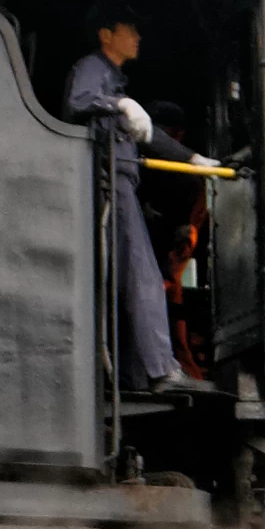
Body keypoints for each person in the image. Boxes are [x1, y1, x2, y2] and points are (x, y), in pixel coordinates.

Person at [64, 20, 209, 395]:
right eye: (130, 30)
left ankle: (137, 374)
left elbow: (147, 134)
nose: (138, 37)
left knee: (132, 279)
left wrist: (192, 158)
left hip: (120, 181)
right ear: (105, 35)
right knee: (142, 275)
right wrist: (120, 104)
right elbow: (77, 102)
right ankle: (161, 370)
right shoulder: (93, 68)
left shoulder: (113, 79)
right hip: (109, 182)